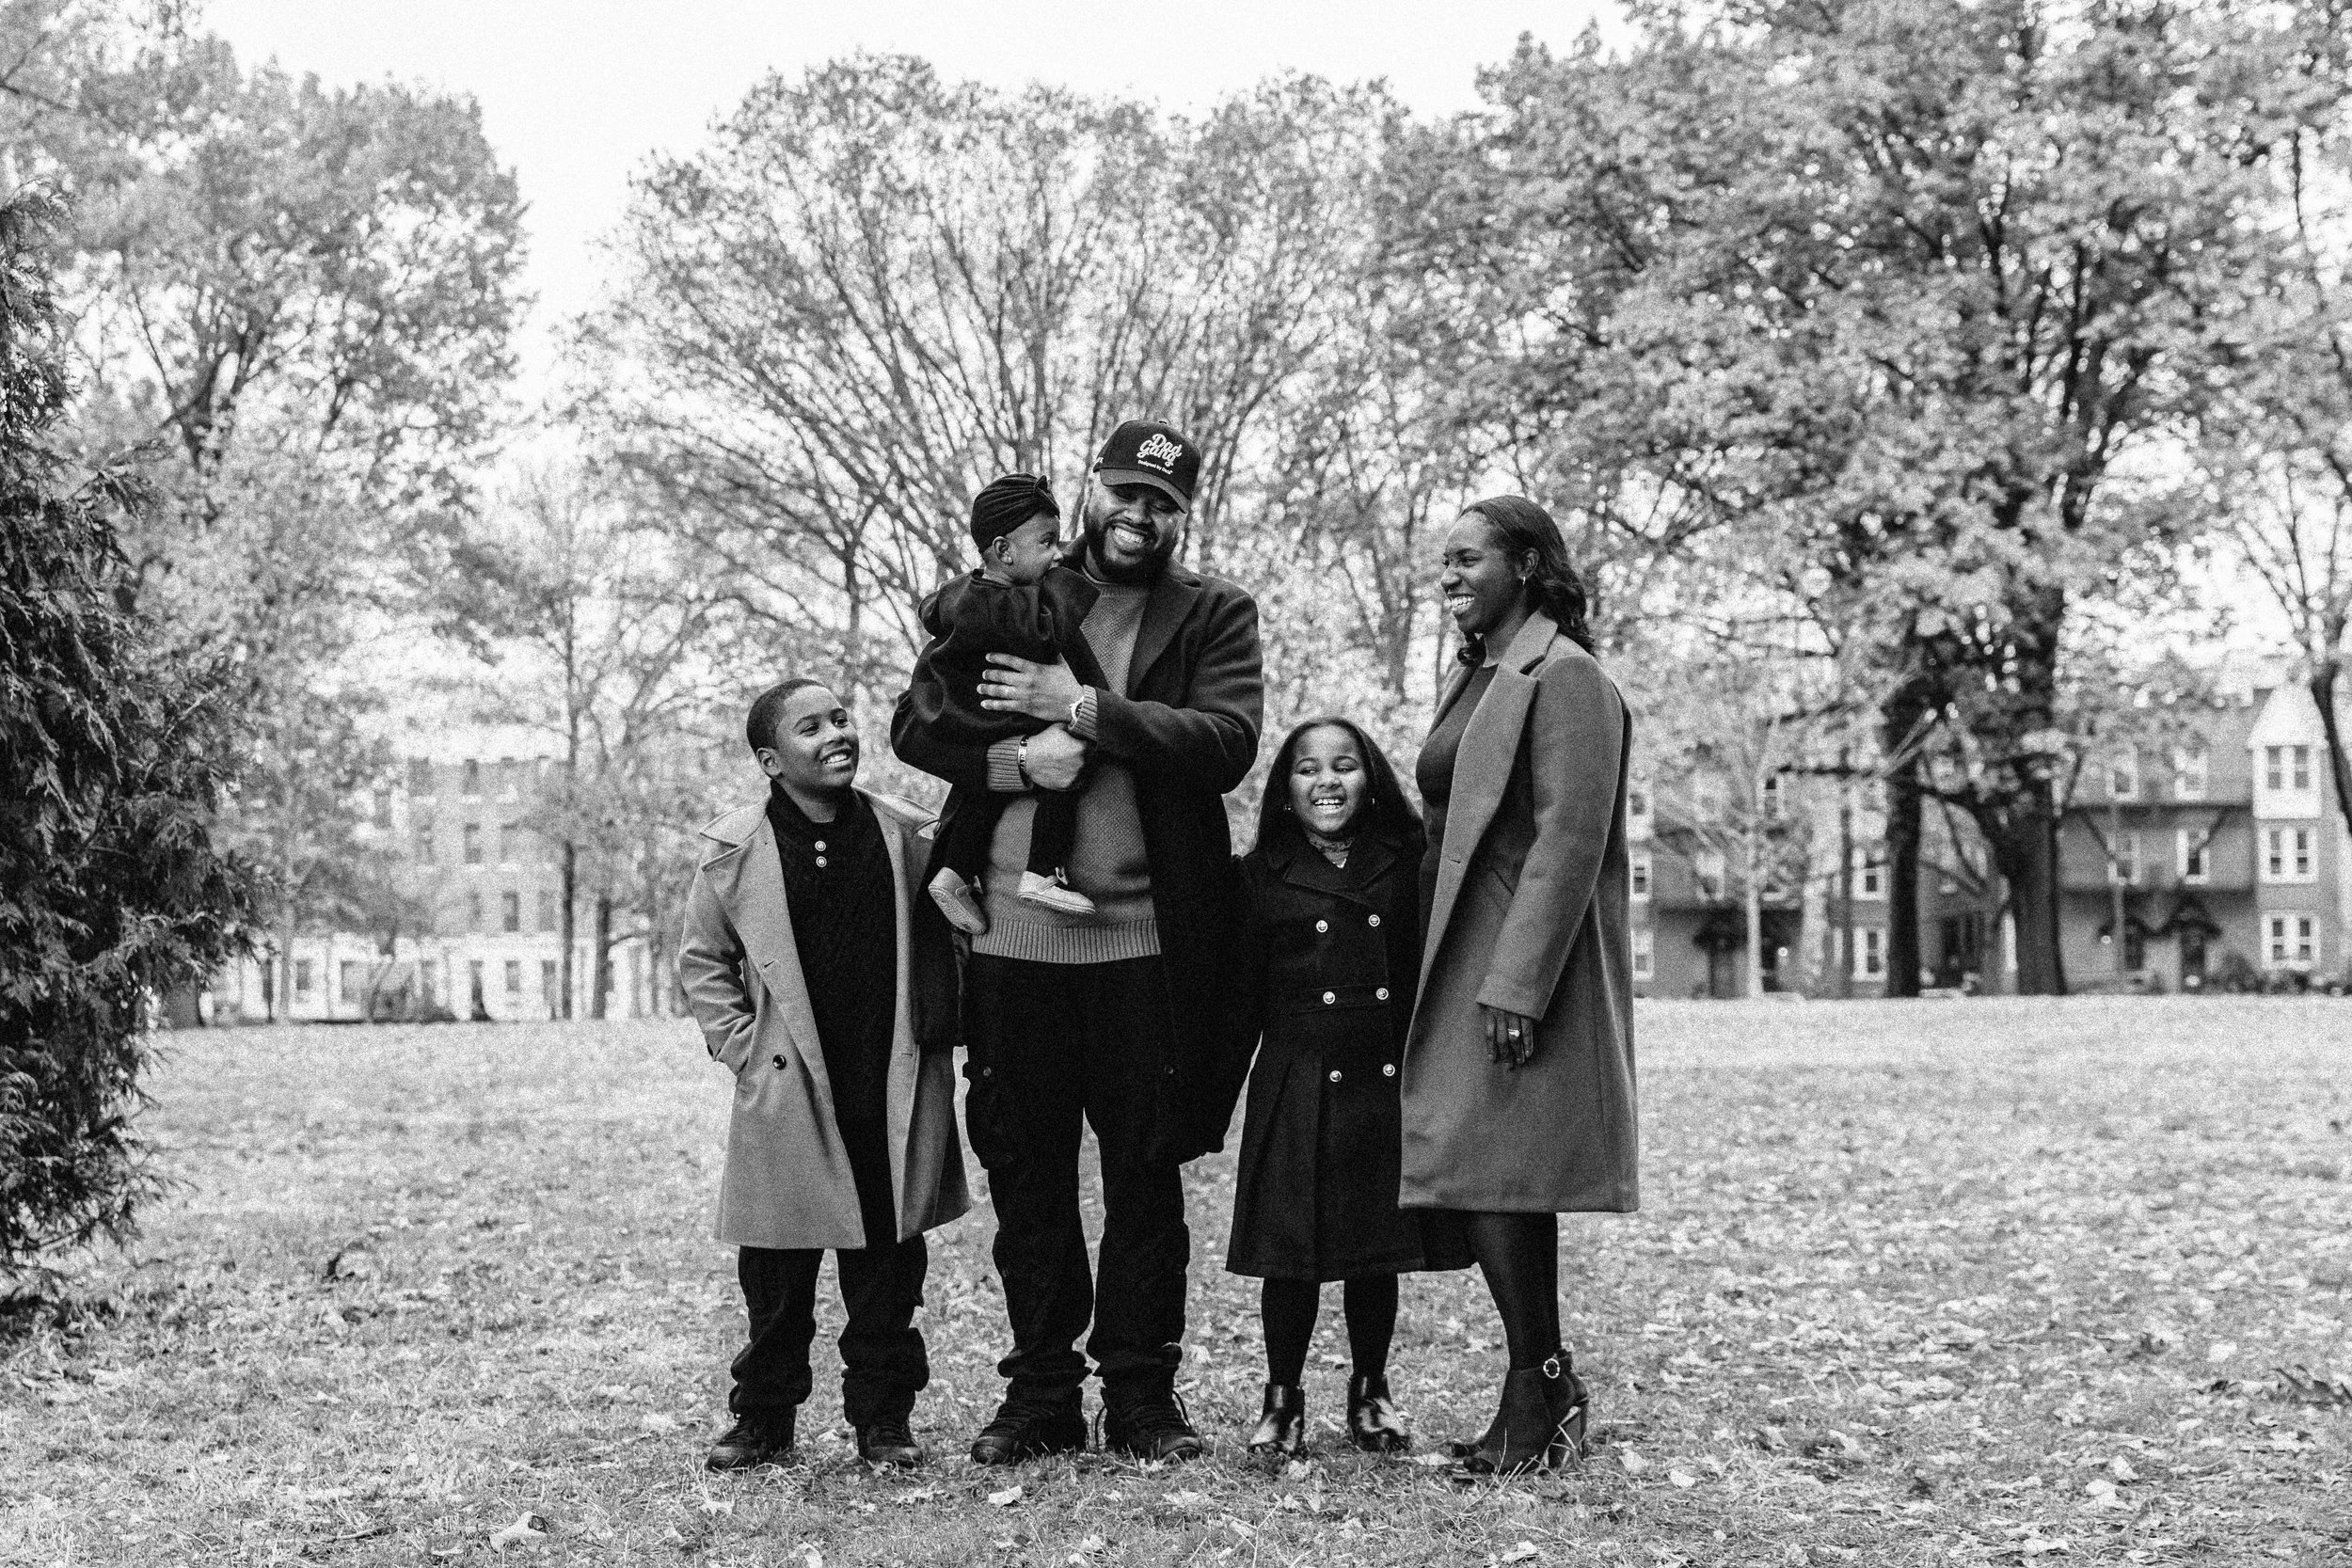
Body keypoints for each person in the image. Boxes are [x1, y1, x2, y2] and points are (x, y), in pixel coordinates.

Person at [890, 419, 1263, 1465]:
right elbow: (917, 726)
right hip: (1012, 949)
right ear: (1090, 493)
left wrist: (1084, 705)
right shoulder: (1008, 599)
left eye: (1162, 502)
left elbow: (1226, 744)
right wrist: (1019, 760)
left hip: (1147, 948)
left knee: (1146, 1175)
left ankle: (1142, 1394)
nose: (1138, 515)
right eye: (1123, 493)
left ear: (1182, 513)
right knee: (1028, 1175)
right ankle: (1041, 1391)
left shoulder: (1214, 613)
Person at [677, 678, 972, 1472]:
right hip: (789, 1081)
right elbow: (704, 960)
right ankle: (763, 1418)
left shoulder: (907, 833)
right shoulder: (735, 850)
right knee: (775, 1271)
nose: (836, 733)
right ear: (772, 759)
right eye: (811, 727)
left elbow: (958, 935)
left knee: (888, 1264)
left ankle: (883, 1418)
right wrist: (742, 1047)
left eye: (841, 718)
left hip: (889, 1081)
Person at [1402, 495, 1637, 1476]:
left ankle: (1540, 1387)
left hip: (1514, 960)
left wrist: (1518, 982)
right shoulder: (1482, 671)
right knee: (1490, 1170)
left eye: (1468, 557)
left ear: (1528, 566)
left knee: (1499, 1168)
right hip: (1460, 950)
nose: (1449, 574)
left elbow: (1568, 838)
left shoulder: (1567, 676)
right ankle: (1539, 1385)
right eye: (1443, 562)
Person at [1224, 717, 1465, 1458]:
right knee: (1289, 1252)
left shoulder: (1408, 861)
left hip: (1381, 1076)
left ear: (1371, 778)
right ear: (1285, 790)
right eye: (1306, 768)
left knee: (1373, 1250)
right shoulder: (1256, 872)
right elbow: (1234, 999)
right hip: (1294, 1076)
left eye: (1343, 765)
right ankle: (1282, 1398)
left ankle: (1372, 1390)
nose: (1325, 780)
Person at [904, 472, 1110, 930]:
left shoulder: (963, 593)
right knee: (1071, 763)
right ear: (1003, 550)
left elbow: (932, 608)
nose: (1057, 554)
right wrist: (1064, 580)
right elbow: (1046, 631)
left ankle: (955, 869)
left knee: (982, 788)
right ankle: (1042, 870)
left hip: (964, 716)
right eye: (1046, 543)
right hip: (992, 713)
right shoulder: (1008, 606)